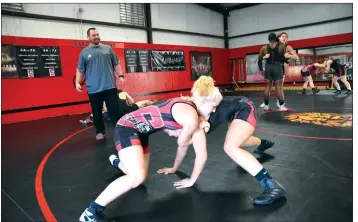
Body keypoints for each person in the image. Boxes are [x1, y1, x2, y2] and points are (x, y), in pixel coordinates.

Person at [79, 76, 223, 222]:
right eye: (214, 106)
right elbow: (182, 143)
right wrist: (198, 130)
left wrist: (175, 166)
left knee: (139, 176)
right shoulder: (191, 117)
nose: (215, 109)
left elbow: (171, 128)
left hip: (142, 132)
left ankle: (118, 162)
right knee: (136, 177)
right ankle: (90, 213)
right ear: (203, 101)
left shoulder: (188, 106)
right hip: (127, 127)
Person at [158, 95, 286, 205]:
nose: (169, 134)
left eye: (169, 131)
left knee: (230, 146)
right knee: (238, 141)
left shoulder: (194, 117)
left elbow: (200, 155)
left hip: (244, 107)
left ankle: (272, 186)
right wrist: (174, 168)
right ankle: (263, 143)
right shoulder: (190, 120)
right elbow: (185, 144)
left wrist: (192, 180)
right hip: (234, 113)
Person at [75, 27, 125, 140]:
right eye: (94, 35)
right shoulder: (84, 53)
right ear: (88, 37)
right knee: (96, 112)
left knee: (114, 111)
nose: (96, 37)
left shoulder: (108, 49)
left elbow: (116, 63)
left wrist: (120, 75)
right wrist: (77, 82)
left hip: (110, 86)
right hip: (93, 89)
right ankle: (100, 132)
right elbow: (80, 69)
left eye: (97, 34)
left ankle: (119, 130)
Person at [259, 32, 299, 108]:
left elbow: (295, 57)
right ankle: (268, 103)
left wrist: (288, 55)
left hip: (279, 68)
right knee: (272, 87)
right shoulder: (276, 45)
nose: (284, 38)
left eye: (286, 37)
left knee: (279, 88)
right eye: (283, 36)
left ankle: (277, 102)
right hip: (275, 67)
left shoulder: (288, 47)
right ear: (279, 37)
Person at [80, 89, 155, 124]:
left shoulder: (106, 98)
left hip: (114, 117)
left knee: (101, 112)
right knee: (145, 102)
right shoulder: (123, 93)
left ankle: (91, 118)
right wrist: (127, 103)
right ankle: (156, 105)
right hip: (127, 111)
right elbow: (132, 102)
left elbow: (106, 109)